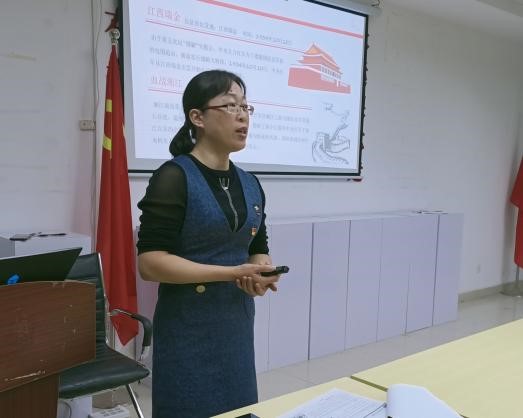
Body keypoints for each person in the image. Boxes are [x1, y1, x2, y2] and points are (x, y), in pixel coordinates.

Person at [136, 70, 280, 418]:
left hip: (236, 323)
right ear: (197, 117)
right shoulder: (174, 177)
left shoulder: (250, 182)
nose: (242, 116)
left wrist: (261, 270)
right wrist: (231, 273)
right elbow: (150, 263)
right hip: (188, 327)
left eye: (245, 106)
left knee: (238, 410)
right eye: (230, 105)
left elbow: (257, 246)